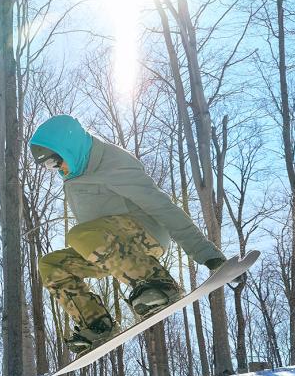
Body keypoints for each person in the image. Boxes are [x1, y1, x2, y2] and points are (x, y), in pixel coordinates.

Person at [29, 114, 226, 355]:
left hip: (144, 234)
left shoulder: (112, 162)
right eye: (49, 166)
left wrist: (205, 253)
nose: (57, 169)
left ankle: (159, 284)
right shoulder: (75, 173)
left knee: (78, 235)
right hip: (107, 246)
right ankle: (97, 324)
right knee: (50, 265)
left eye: (56, 161)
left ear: (69, 147)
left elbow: (161, 206)